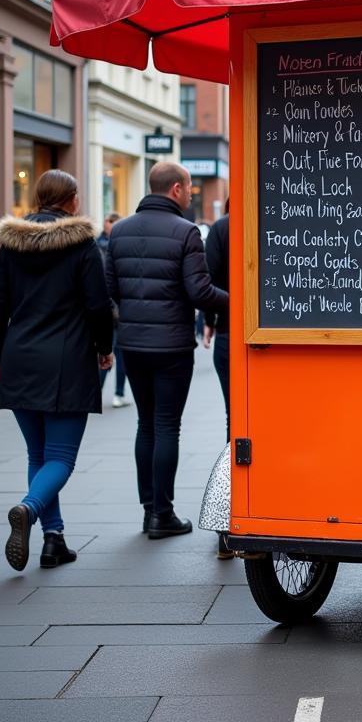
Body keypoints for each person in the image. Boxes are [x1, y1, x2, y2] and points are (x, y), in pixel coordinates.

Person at [0, 170, 114, 571]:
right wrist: (105, 348)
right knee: (60, 458)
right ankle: (29, 508)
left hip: (20, 357)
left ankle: (53, 540)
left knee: (37, 453)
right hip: (67, 360)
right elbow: (98, 305)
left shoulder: (11, 245)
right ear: (71, 200)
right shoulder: (82, 245)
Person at [106, 162, 228, 539]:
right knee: (166, 426)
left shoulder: (120, 231)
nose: (191, 193)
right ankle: (164, 513)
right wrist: (239, 302)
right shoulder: (185, 231)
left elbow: (111, 287)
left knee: (146, 424)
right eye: (189, 187)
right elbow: (199, 291)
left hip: (133, 345)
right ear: (175, 188)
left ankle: (148, 511)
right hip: (172, 345)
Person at [204, 202, 233, 560]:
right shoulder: (282, 213)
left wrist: (213, 318)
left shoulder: (222, 227)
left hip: (230, 334)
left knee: (236, 425)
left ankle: (227, 526)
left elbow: (207, 279)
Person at [96, 213, 129, 408]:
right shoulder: (101, 246)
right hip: (111, 310)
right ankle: (100, 391)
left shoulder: (100, 245)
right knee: (107, 353)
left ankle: (118, 392)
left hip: (113, 309)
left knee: (116, 354)